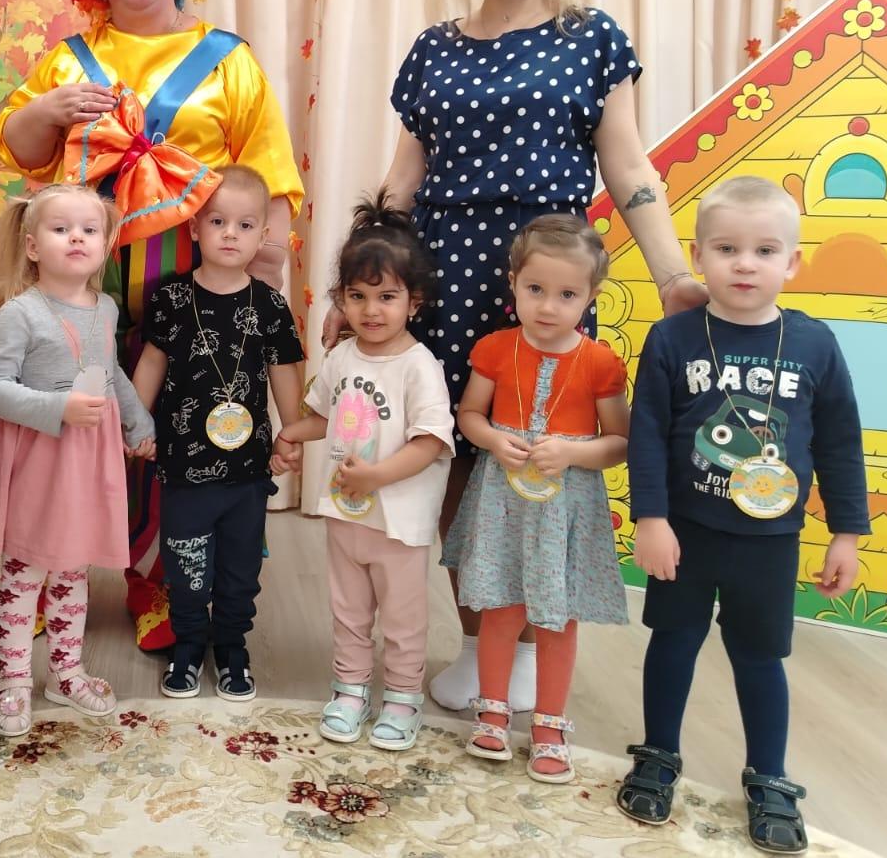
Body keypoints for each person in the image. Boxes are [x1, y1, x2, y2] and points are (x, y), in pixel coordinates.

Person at [326, 0, 708, 712]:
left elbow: (628, 165)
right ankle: (475, 642)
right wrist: (356, 287)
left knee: (540, 459)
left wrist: (673, 273)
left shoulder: (592, 39)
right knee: (456, 455)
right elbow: (403, 178)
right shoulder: (432, 49)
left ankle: (536, 646)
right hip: (443, 277)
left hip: (547, 283)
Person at [0, 0, 303, 650]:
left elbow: (270, 179)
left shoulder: (228, 60)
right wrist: (46, 109)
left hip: (197, 287)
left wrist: (263, 288)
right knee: (68, 423)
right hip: (79, 286)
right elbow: (20, 153)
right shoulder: (69, 61)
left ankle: (164, 583)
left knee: (178, 430)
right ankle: (41, 575)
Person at [617, 176, 868, 854]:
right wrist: (651, 519)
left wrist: (846, 533)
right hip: (685, 532)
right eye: (727, 249)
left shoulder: (815, 345)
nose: (745, 264)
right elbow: (647, 435)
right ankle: (658, 755)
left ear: (792, 262)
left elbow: (841, 443)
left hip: (770, 540)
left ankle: (770, 778)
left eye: (764, 250)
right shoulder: (672, 338)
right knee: (672, 641)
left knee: (760, 656)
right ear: (698, 255)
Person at [444, 215, 630, 783]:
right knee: (500, 608)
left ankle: (549, 726)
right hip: (503, 500)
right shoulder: (495, 349)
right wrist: (492, 440)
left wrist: (572, 453)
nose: (548, 306)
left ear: (591, 296)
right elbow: (468, 415)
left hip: (565, 506)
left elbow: (620, 443)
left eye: (567, 295)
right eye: (535, 289)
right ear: (513, 284)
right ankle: (492, 711)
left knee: (557, 619)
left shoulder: (600, 362)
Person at [273, 192, 454, 752]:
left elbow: (430, 442)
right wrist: (290, 434)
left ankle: (401, 698)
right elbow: (324, 416)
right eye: (357, 296)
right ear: (341, 300)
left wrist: (376, 476)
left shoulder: (419, 366)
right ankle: (350, 690)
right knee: (349, 610)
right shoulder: (342, 357)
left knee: (402, 617)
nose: (371, 310)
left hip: (397, 521)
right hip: (346, 513)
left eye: (386, 297)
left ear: (414, 302)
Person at [0, 184, 155, 736]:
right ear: (33, 246)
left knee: (73, 568)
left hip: (88, 461)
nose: (77, 238)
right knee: (25, 570)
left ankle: (65, 671)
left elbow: (112, 372)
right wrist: (59, 408)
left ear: (105, 245)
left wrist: (137, 422)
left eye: (89, 230)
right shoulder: (20, 314)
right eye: (61, 229)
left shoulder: (105, 307)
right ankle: (12, 678)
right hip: (39, 461)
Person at [131, 165, 305, 700]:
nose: (231, 234)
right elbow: (152, 364)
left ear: (263, 236)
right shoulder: (170, 298)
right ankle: (187, 646)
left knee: (239, 568)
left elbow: (285, 374)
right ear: (194, 228)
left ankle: (232, 648)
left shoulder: (270, 306)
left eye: (245, 225)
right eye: (218, 222)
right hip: (182, 466)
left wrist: (292, 435)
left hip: (247, 470)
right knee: (185, 564)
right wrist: (135, 423)